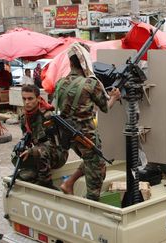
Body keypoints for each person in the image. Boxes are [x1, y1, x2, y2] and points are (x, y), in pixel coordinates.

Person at [54, 42, 121, 201]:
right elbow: (105, 108)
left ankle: (69, 183)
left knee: (90, 159)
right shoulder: (92, 83)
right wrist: (114, 97)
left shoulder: (61, 83)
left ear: (70, 62)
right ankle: (91, 203)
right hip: (86, 137)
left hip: (67, 136)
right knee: (97, 170)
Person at [16, 84, 68, 189]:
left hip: (58, 154)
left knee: (39, 151)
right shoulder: (24, 117)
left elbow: (55, 144)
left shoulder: (47, 116)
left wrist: (32, 151)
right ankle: (31, 172)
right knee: (18, 153)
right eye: (24, 99)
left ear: (38, 99)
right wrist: (22, 147)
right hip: (40, 150)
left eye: (30, 98)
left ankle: (46, 183)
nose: (27, 102)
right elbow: (27, 137)